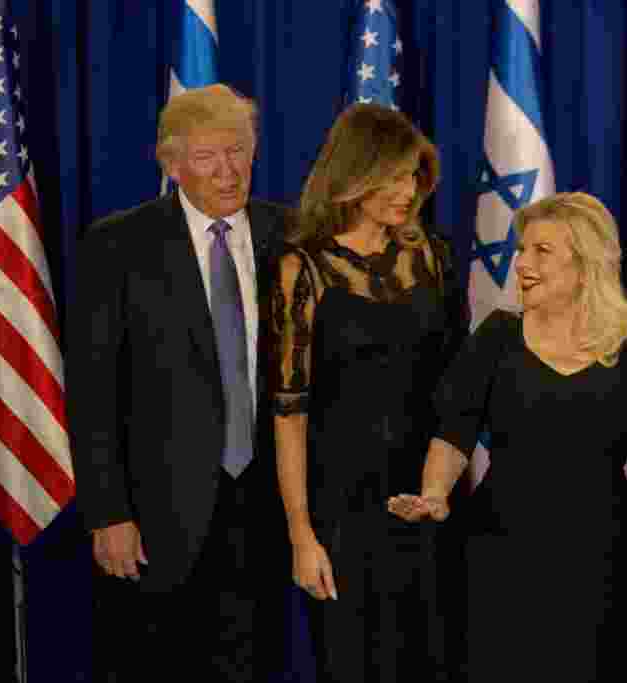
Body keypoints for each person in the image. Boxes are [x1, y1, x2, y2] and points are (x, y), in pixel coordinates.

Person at [388, 192, 627, 682]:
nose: (521, 263)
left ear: (585, 264)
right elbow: (453, 434)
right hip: (499, 558)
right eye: (522, 249)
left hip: (596, 563)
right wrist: (435, 494)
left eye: (541, 251)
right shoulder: (497, 336)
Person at [67, 84, 290, 683]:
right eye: (206, 156)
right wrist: (107, 512)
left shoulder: (288, 236)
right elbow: (92, 393)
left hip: (267, 506)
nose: (227, 171)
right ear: (171, 164)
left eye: (238, 150)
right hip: (157, 514)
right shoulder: (119, 244)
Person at [272, 103, 466, 683]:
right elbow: (289, 413)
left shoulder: (433, 254)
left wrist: (441, 488)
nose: (407, 191)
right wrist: (301, 533)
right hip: (343, 511)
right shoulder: (301, 269)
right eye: (393, 176)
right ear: (355, 174)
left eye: (414, 176)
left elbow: (461, 385)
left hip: (431, 496)